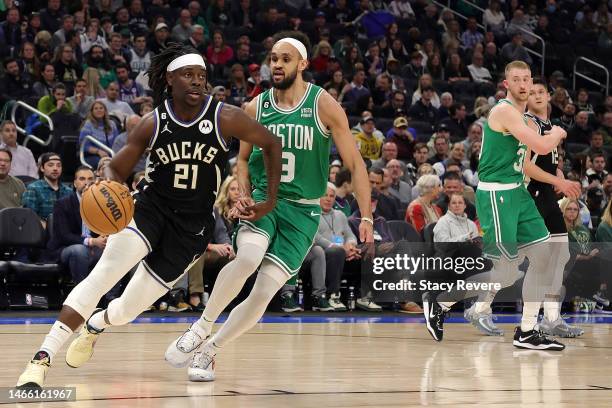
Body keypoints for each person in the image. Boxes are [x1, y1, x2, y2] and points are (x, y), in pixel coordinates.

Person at [16, 43, 282, 389]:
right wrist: (111, 190)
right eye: (188, 75)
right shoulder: (152, 123)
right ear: (170, 79)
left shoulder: (225, 117)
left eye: (202, 76)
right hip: (148, 211)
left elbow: (272, 143)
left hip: (191, 230)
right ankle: (41, 359)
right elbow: (115, 167)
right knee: (102, 277)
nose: (197, 81)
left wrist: (269, 200)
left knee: (127, 311)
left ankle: (98, 323)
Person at [165, 32, 373, 382]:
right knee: (246, 257)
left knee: (263, 293)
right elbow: (242, 161)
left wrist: (366, 215)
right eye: (273, 58)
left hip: (304, 212)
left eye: (285, 59)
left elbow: (355, 163)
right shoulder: (256, 107)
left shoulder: (323, 105)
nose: (276, 64)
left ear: (303, 64)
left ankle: (209, 351)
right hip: (265, 201)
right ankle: (200, 327)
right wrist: (244, 191)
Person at [422, 61, 568, 350]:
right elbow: (541, 146)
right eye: (517, 79)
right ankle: (440, 301)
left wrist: (556, 178)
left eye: (527, 79)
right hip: (497, 195)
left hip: (518, 192)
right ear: (506, 84)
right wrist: (557, 133)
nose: (524, 85)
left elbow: (526, 162)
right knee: (506, 273)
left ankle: (527, 331)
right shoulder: (503, 111)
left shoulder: (525, 119)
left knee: (543, 257)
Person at [47, 166, 122, 302]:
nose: (86, 183)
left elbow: (106, 229)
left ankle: (111, 299)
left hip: (94, 248)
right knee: (80, 250)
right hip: (64, 249)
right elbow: (64, 236)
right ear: (75, 183)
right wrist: (92, 241)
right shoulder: (62, 204)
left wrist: (106, 238)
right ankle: (82, 298)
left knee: (113, 250)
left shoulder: (101, 204)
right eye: (82, 179)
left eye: (90, 179)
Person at [21, 152, 72, 225]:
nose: (55, 168)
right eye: (50, 165)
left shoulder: (68, 191)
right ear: (42, 168)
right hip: (41, 232)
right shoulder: (33, 189)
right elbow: (29, 216)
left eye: (58, 165)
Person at [79, 101, 119, 168]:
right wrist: (98, 151)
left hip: (111, 155)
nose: (99, 110)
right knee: (105, 164)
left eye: (101, 108)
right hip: (93, 156)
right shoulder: (88, 124)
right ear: (92, 111)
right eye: (96, 108)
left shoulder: (112, 124)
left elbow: (117, 142)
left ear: (105, 110)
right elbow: (83, 145)